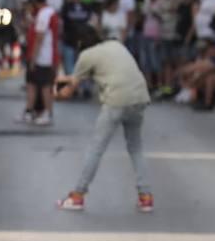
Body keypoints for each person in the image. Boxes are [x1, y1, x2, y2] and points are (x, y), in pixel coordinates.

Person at [52, 26, 153, 213]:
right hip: (140, 97)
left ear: (80, 44)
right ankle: (145, 197)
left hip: (116, 100)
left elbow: (69, 89)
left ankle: (78, 195)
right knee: (136, 148)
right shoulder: (116, 45)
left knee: (96, 148)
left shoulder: (86, 55)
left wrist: (53, 93)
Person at [23, 0, 61, 126]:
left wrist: (33, 58)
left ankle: (47, 113)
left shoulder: (45, 14)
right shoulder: (46, 13)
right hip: (42, 56)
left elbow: (39, 38)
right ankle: (29, 111)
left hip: (43, 57)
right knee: (32, 84)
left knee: (45, 86)